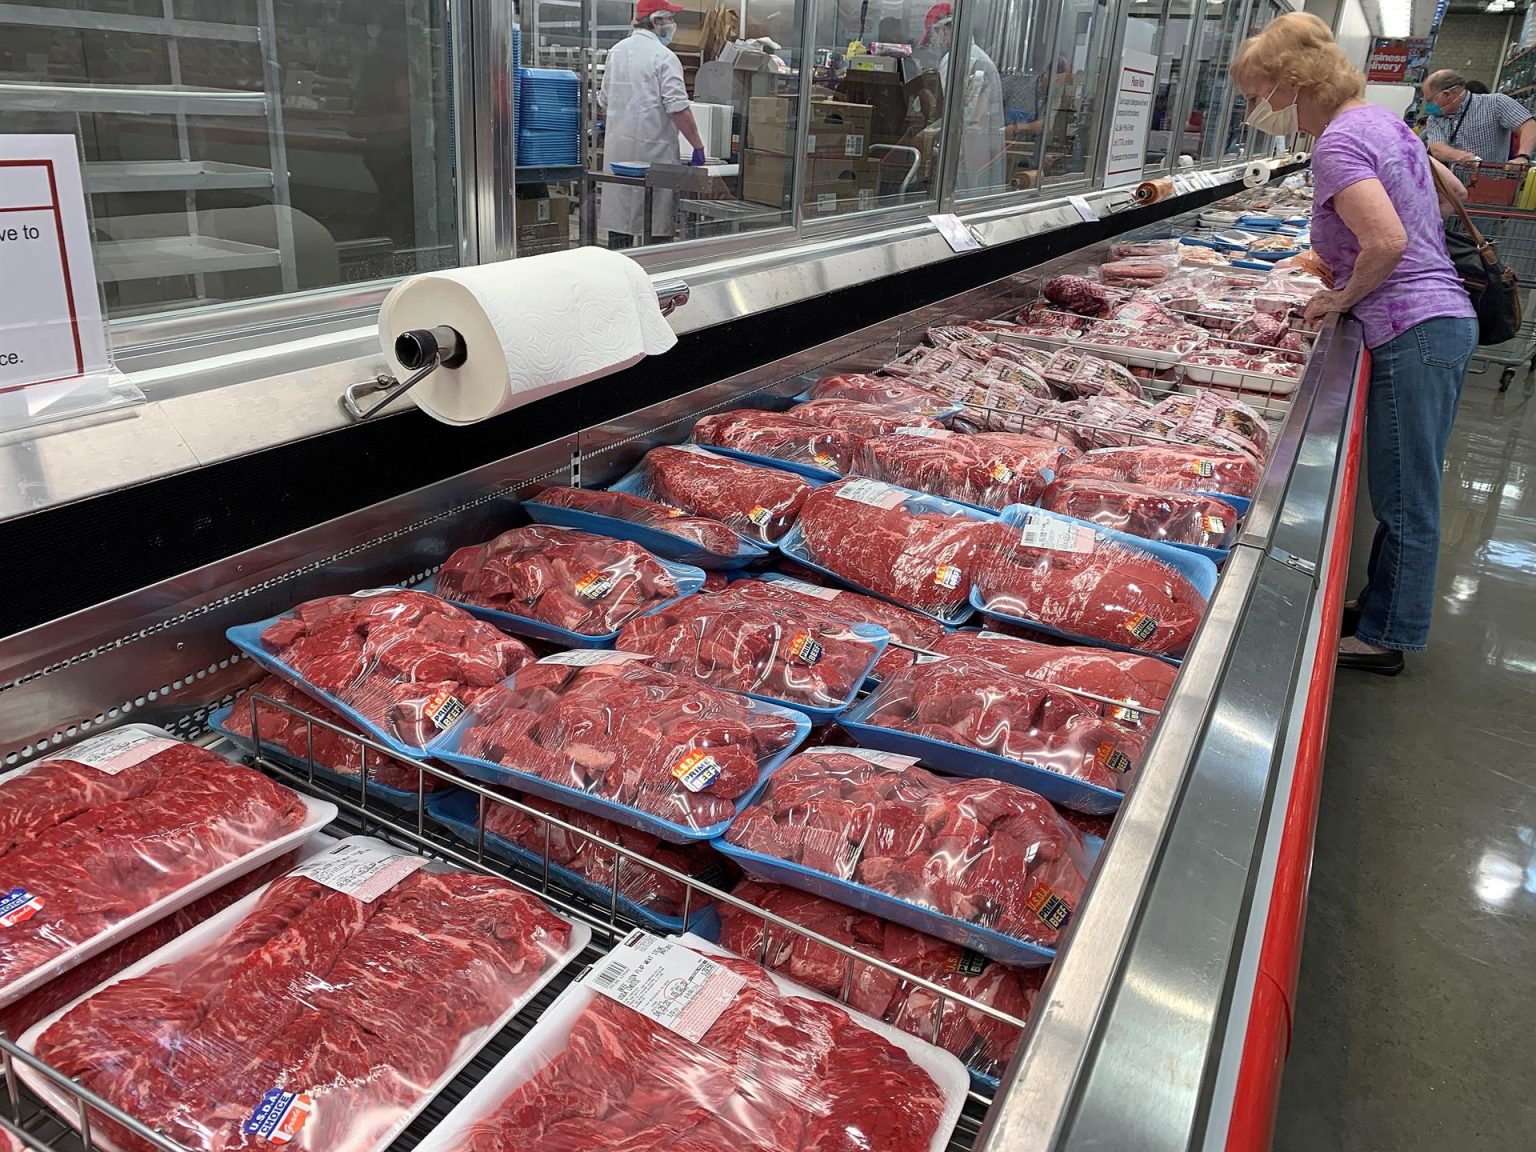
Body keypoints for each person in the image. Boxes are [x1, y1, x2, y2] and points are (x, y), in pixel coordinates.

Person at [1233, 13, 1477, 675]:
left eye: (1259, 95)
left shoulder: (1339, 142)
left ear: (1292, 83)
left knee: (1405, 495)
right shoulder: (1378, 120)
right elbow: (1450, 190)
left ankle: (1385, 637)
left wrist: (1341, 295)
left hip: (1412, 326)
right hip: (1435, 318)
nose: (1258, 109)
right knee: (1406, 488)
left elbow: (1389, 242)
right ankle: (1381, 607)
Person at [598, 0, 707, 248]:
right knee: (656, 227)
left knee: (620, 222)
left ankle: (620, 275)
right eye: (669, 19)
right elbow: (678, 108)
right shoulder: (664, 57)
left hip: (618, 151)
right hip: (654, 153)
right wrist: (698, 146)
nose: (672, 25)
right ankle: (657, 277)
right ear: (656, 21)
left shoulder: (616, 51)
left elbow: (604, 100)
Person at [925, 3, 1006, 193]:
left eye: (936, 33)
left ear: (947, 28)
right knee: (980, 191)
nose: (936, 40)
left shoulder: (958, 60)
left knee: (966, 193)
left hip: (969, 142)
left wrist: (928, 132)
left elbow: (954, 111)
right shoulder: (978, 57)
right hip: (979, 141)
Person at [1421, 69, 1535, 167]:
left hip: (1491, 181)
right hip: (1451, 186)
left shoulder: (1495, 103)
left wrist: (1522, 156)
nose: (1428, 105)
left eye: (1430, 100)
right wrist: (1460, 156)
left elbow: (1529, 125)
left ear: (1447, 95)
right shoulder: (1435, 118)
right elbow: (1437, 148)